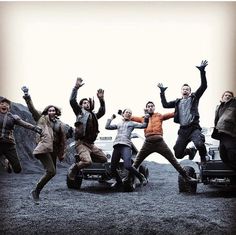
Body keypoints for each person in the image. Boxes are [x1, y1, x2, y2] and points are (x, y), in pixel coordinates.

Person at [130, 101, 197, 183]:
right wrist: (121, 113)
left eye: (152, 106)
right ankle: (127, 179)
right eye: (148, 106)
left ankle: (187, 177)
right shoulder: (143, 118)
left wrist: (184, 108)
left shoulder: (159, 116)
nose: (150, 107)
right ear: (146, 108)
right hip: (148, 143)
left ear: (154, 108)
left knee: (173, 161)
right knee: (136, 163)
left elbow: (173, 114)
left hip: (160, 142)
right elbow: (131, 117)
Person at [21, 86, 68, 200]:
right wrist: (27, 96)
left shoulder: (60, 123)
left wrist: (62, 153)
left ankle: (36, 191)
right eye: (49, 110)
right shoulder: (41, 118)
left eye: (53, 110)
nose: (51, 112)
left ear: (56, 112)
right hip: (44, 147)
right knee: (51, 171)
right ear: (47, 111)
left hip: (53, 149)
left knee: (52, 172)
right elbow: (31, 109)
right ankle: (35, 191)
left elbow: (63, 139)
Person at [157, 60, 208, 163]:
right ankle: (190, 151)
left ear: (190, 91)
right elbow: (165, 105)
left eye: (187, 89)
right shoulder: (177, 102)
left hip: (193, 128)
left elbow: (203, 86)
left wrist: (202, 71)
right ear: (181, 91)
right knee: (178, 153)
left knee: (199, 143)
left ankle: (203, 157)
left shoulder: (194, 98)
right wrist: (162, 92)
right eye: (183, 89)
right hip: (183, 130)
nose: (185, 90)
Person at [68, 78, 107, 180]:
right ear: (81, 105)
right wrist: (76, 87)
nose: (87, 104)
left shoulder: (93, 115)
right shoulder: (79, 113)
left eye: (87, 102)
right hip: (81, 143)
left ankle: (87, 155)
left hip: (91, 144)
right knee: (87, 161)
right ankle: (75, 168)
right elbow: (72, 101)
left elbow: (102, 112)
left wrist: (101, 99)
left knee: (103, 159)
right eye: (84, 103)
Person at [105, 109, 149, 189]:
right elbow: (107, 127)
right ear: (123, 114)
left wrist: (146, 116)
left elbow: (144, 125)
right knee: (112, 167)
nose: (128, 114)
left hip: (126, 145)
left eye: (130, 113)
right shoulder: (119, 124)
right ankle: (119, 182)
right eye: (127, 112)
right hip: (117, 145)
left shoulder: (132, 123)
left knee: (128, 165)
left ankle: (141, 177)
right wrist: (111, 118)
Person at [0, 96, 42, 174]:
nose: (4, 105)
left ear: (9, 108)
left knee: (17, 170)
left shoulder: (13, 117)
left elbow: (25, 124)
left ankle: (7, 162)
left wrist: (35, 128)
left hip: (9, 145)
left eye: (6, 104)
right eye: (2, 104)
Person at [212, 90, 236, 170]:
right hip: (220, 134)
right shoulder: (218, 107)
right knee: (223, 156)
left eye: (230, 95)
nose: (228, 96)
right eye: (226, 95)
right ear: (222, 97)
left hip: (230, 133)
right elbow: (216, 120)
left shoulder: (233, 104)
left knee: (232, 155)